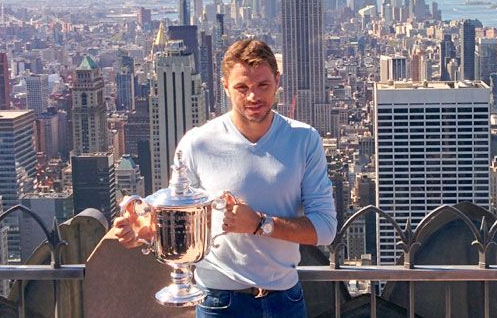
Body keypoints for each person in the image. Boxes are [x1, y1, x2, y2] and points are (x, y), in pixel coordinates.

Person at [113, 38, 337, 318]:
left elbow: (325, 228)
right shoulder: (197, 143)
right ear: (226, 88)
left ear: (278, 81)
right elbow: (182, 220)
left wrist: (260, 224)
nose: (253, 97)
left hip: (286, 301)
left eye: (262, 86)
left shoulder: (304, 140)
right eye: (242, 87)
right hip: (219, 301)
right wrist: (150, 229)